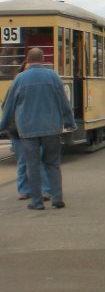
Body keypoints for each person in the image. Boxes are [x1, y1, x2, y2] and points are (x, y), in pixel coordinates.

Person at [0, 47, 76, 210]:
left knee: (32, 165)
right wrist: (70, 122)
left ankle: (37, 202)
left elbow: (8, 105)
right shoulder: (53, 77)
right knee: (53, 164)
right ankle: (57, 199)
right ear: (42, 60)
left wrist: (3, 125)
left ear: (27, 60)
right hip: (51, 128)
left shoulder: (20, 78)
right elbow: (64, 103)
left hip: (28, 129)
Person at [6, 59, 52, 200]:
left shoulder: (39, 87)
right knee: (22, 161)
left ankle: (44, 190)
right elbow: (7, 108)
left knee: (38, 160)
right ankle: (24, 190)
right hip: (18, 130)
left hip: (34, 129)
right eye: (26, 70)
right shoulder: (15, 86)